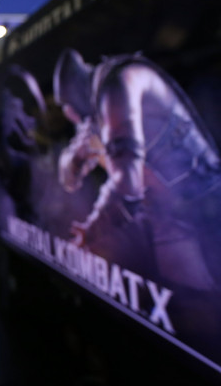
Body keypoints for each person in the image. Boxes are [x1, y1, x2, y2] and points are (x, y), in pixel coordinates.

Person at [53, 48, 221, 292]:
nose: (69, 115)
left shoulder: (118, 84)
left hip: (206, 201)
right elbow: (69, 178)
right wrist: (77, 157)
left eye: (68, 106)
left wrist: (93, 230)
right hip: (179, 212)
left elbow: (127, 186)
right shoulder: (102, 100)